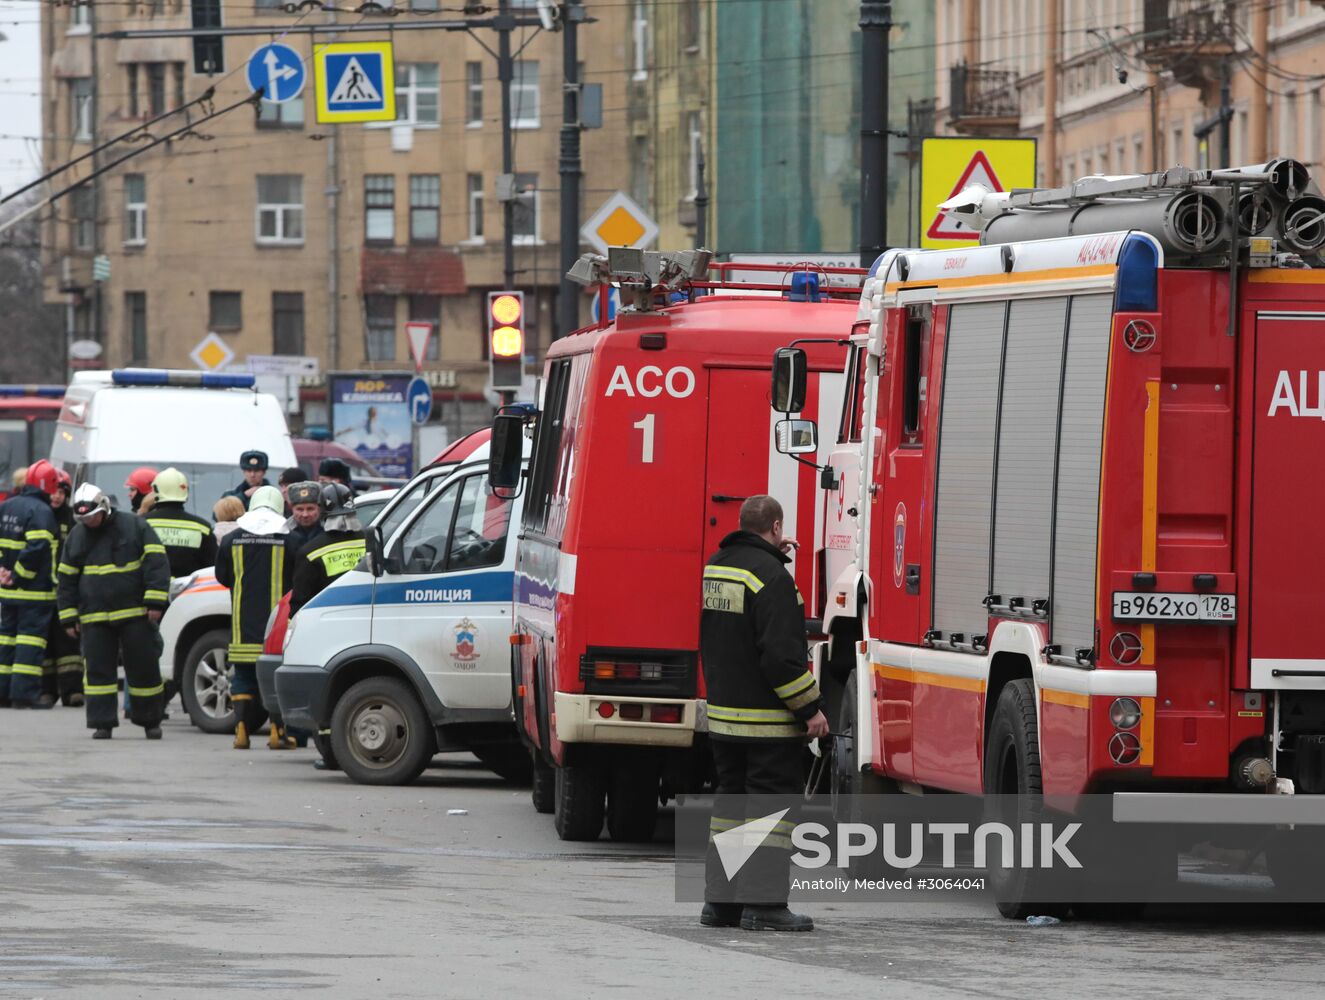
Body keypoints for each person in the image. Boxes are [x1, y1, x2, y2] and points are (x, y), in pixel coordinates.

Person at [698, 494, 829, 933]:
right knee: (769, 814)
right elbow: (780, 656)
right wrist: (810, 708)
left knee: (731, 809)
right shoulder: (772, 577)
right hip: (767, 722)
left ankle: (722, 904)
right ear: (775, 527)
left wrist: (774, 559)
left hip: (725, 718)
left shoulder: (719, 565)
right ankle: (765, 905)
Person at [57, 483, 170, 739]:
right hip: (94, 617)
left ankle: (150, 720)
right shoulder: (78, 535)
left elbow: (156, 562)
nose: (89, 522)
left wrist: (154, 602)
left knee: (144, 668)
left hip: (135, 613)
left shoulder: (134, 526)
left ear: (104, 508)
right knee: (98, 671)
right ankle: (102, 722)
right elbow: (66, 578)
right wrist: (68, 615)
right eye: (83, 518)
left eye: (92, 516)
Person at [214, 486, 292, 750]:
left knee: (243, 677)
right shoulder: (289, 540)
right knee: (275, 680)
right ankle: (277, 732)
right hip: (276, 628)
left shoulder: (230, 540)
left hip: (241, 625)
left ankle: (241, 729)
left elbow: (222, 578)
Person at [0, 460, 61, 709]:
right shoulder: (42, 512)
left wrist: (4, 572)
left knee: (6, 640)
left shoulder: (6, 507)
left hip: (6, 590)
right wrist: (18, 575)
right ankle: (24, 694)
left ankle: (2, 693)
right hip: (34, 591)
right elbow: (37, 549)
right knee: (30, 642)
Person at [41, 468, 83, 708]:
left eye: (60, 492)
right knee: (45, 642)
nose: (56, 497)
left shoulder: (72, 519)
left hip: (67, 590)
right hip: (43, 590)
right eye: (52, 492)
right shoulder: (41, 516)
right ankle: (47, 691)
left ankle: (73, 691)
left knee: (69, 641)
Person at [291, 483, 366, 615]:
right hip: (365, 614)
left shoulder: (310, 552)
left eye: (310, 508)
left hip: (327, 618)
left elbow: (300, 602)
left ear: (321, 510)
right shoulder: (371, 541)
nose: (305, 514)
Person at [144, 467, 217, 578]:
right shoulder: (203, 528)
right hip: (191, 594)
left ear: (156, 490)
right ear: (185, 491)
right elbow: (211, 569)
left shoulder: (141, 524)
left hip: (150, 592)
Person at [284, 481, 324, 553]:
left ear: (319, 508)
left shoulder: (329, 529)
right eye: (300, 509)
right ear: (291, 508)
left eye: (310, 509)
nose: (305, 514)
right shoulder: (284, 531)